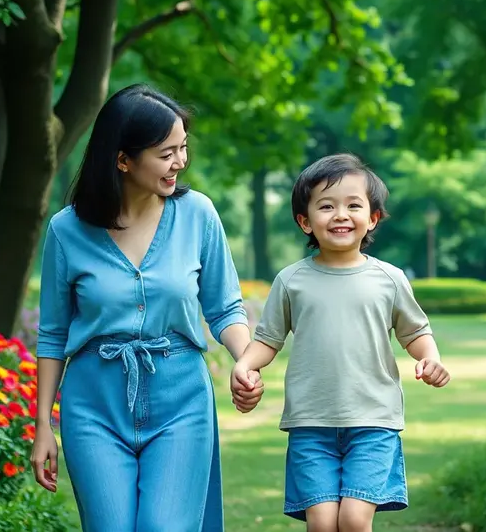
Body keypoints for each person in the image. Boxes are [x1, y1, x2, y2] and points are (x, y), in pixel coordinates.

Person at [29, 83, 263, 532]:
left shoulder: (198, 215)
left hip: (181, 399)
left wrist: (246, 363)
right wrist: (42, 424)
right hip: (93, 406)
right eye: (166, 152)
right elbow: (53, 334)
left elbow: (225, 307)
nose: (180, 162)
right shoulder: (67, 230)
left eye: (183, 148)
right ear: (123, 159)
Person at [230, 153, 451, 532]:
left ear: (373, 218)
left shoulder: (389, 278)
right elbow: (268, 338)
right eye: (326, 206)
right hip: (310, 423)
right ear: (305, 221)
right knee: (321, 523)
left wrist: (430, 358)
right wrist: (245, 365)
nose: (340, 215)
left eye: (353, 205)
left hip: (373, 420)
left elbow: (414, 331)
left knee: (352, 519)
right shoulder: (291, 280)